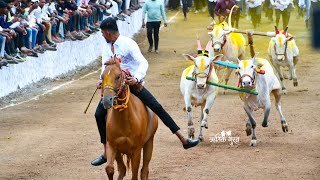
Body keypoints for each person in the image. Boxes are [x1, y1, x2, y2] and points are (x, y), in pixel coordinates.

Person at [91, 17, 200, 166]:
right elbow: (105, 68)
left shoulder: (128, 44)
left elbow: (143, 62)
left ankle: (182, 138)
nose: (102, 36)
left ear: (108, 32)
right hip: (114, 86)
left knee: (156, 107)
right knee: (98, 114)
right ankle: (105, 151)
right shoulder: (106, 47)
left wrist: (136, 78)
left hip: (132, 84)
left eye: (103, 33)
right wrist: (101, 80)